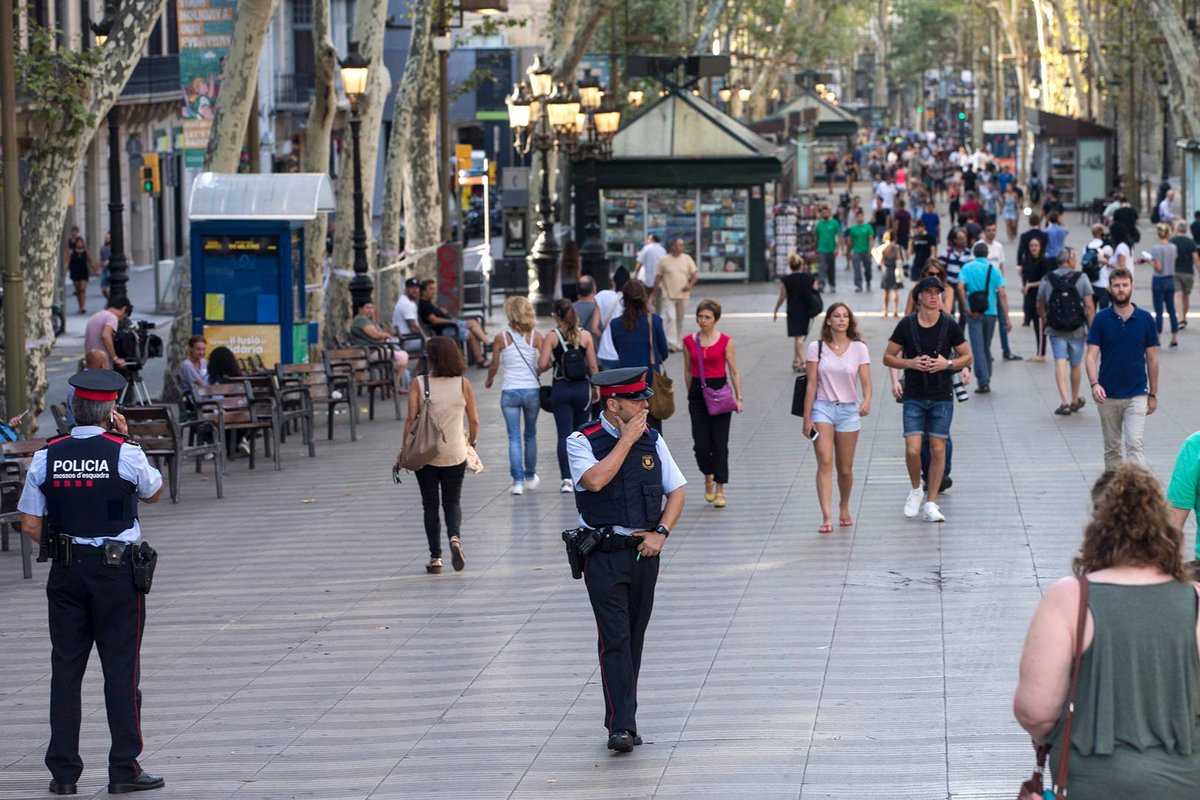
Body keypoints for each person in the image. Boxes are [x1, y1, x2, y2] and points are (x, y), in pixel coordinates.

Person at [17, 368, 166, 796]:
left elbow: (30, 523)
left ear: (73, 410)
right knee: (121, 670)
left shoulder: (49, 454)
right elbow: (152, 492)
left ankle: (63, 773)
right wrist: (128, 437)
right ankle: (124, 767)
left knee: (66, 669)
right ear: (111, 410)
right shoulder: (125, 451)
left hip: (66, 573)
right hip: (117, 573)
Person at [1014, 464, 1200, 798]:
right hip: (1185, 780)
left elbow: (1036, 712)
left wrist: (1049, 741)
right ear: (1163, 528)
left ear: (1098, 528)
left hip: (1093, 780)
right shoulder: (1195, 600)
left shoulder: (1070, 598)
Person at [565, 367, 686, 753]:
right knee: (615, 638)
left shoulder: (653, 439)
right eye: (638, 400)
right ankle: (622, 726)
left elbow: (678, 490)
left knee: (633, 638)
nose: (646, 405)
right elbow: (595, 480)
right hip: (602, 554)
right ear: (614, 404)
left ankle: (622, 716)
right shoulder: (581, 439)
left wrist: (661, 533)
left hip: (643, 554)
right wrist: (626, 440)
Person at [883, 276, 973, 523]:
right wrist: (909, 363)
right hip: (914, 395)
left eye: (938, 292)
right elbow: (888, 357)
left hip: (941, 396)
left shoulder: (949, 325)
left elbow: (967, 356)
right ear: (919, 297)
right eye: (929, 292)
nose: (934, 296)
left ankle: (931, 502)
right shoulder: (907, 325)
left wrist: (948, 363)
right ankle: (915, 488)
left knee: (937, 447)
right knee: (912, 448)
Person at [402, 337, 479, 574]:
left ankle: (435, 557)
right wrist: (471, 442)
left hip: (426, 453)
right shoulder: (463, 384)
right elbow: (474, 420)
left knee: (430, 505)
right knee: (452, 501)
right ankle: (454, 537)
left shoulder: (419, 383)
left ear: (431, 357)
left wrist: (404, 449)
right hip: (455, 452)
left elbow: (410, 419)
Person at [802, 303, 871, 533]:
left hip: (849, 411)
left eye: (845, 316)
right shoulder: (816, 348)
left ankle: (843, 506)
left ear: (850, 321)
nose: (841, 320)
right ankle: (827, 516)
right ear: (828, 321)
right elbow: (811, 384)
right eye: (837, 316)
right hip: (822, 408)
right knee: (825, 462)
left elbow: (866, 381)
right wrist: (807, 417)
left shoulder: (859, 348)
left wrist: (867, 400)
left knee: (845, 468)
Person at [1086, 268, 1159, 469]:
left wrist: (1153, 394)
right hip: (1107, 395)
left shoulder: (1145, 319)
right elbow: (1091, 356)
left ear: (1132, 287)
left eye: (1125, 285)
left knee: (1135, 444)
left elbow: (1152, 359)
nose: (1121, 289)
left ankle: (1138, 495)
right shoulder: (1101, 319)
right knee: (1112, 448)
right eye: (1117, 285)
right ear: (1110, 288)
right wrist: (1094, 384)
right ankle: (1116, 495)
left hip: (1137, 393)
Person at [682, 299, 743, 509]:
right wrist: (690, 393)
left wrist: (739, 397)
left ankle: (720, 488)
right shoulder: (689, 341)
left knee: (719, 444)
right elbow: (688, 370)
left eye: (707, 317)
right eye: (700, 316)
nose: (703, 321)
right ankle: (707, 475)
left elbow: (734, 370)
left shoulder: (725, 341)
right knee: (700, 444)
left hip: (720, 392)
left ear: (716, 319)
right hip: (698, 393)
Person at [538, 298, 599, 493]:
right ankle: (584, 475)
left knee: (564, 435)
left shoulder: (552, 336)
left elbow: (542, 364)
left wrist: (548, 366)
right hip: (582, 389)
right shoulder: (586, 335)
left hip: (561, 389)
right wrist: (596, 388)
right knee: (582, 434)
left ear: (556, 315)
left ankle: (566, 479)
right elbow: (592, 366)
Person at [484, 296, 543, 495]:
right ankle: (530, 475)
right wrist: (538, 371)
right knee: (531, 434)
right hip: (531, 390)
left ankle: (517, 482)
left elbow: (494, 365)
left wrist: (489, 379)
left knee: (514, 438)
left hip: (509, 391)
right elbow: (546, 361)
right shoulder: (536, 336)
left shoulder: (501, 337)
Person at [1038, 247, 1096, 416]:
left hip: (1055, 328)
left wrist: (1044, 318)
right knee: (1075, 364)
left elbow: (1039, 302)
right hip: (1077, 329)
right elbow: (1090, 305)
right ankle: (1074, 399)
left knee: (1060, 362)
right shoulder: (1082, 278)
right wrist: (1092, 329)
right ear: (1069, 259)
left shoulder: (1047, 279)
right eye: (1074, 256)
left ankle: (1064, 403)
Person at [609, 280, 669, 430]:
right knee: (653, 427)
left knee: (627, 426)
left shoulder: (615, 324)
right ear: (644, 297)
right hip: (648, 381)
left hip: (625, 382)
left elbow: (618, 349)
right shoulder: (654, 320)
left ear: (624, 300)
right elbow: (664, 352)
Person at [957, 241, 1011, 394]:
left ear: (974, 253)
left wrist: (965, 306)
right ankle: (987, 376)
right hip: (991, 312)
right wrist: (1006, 317)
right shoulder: (994, 270)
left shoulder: (967, 268)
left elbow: (960, 286)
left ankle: (983, 380)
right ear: (987, 254)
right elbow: (1002, 294)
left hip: (973, 313)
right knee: (986, 346)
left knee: (977, 347)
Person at [417, 279, 490, 368]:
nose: (433, 291)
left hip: (449, 325)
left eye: (434, 289)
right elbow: (434, 320)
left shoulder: (428, 303)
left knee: (473, 325)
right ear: (424, 291)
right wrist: (450, 321)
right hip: (445, 329)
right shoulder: (424, 305)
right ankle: (487, 345)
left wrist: (442, 311)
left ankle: (481, 357)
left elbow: (436, 315)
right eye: (431, 289)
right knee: (472, 328)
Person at [651, 238, 698, 352]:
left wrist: (689, 285)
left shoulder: (687, 259)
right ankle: (672, 343)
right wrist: (654, 294)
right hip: (668, 295)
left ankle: (676, 341)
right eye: (677, 245)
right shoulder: (664, 260)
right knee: (671, 318)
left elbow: (694, 276)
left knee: (679, 320)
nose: (679, 248)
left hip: (683, 295)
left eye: (681, 245)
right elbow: (658, 277)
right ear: (672, 246)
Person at [775, 253, 819, 373]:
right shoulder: (810, 278)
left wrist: (776, 309)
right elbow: (816, 292)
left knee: (798, 336)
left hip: (793, 310)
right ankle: (799, 362)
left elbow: (782, 297)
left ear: (790, 266)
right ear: (801, 265)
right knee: (799, 337)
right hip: (806, 310)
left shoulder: (787, 280)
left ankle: (800, 362)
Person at [984, 221, 1021, 361]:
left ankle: (1006, 350)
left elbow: (1001, 266)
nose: (991, 232)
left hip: (997, 289)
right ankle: (986, 351)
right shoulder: (980, 246)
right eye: (989, 230)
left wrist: (1002, 285)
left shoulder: (999, 247)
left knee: (1003, 319)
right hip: (985, 292)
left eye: (994, 229)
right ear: (985, 231)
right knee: (988, 322)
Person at [350, 300, 411, 373]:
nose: (370, 311)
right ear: (360, 309)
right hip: (371, 351)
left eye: (372, 308)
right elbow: (376, 335)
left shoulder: (367, 320)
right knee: (402, 357)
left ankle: (396, 380)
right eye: (367, 308)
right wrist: (386, 335)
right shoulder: (361, 320)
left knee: (403, 357)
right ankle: (396, 382)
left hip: (375, 349)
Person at [1146, 222, 1180, 347]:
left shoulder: (1156, 249)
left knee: (1159, 311)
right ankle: (1174, 337)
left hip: (1159, 280)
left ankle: (1158, 337)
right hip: (1170, 278)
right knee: (1172, 310)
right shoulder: (1173, 247)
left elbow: (1159, 267)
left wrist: (1150, 261)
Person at [1022, 237, 1051, 362]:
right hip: (1030, 297)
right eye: (1032, 245)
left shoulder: (1044, 261)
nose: (1033, 248)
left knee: (1040, 326)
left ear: (1040, 247)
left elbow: (1046, 280)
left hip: (1040, 298)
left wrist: (1030, 285)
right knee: (1036, 325)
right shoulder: (1027, 260)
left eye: (1036, 245)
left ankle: (1041, 353)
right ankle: (1039, 351)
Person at [84, 298, 131, 370]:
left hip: (91, 361)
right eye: (123, 317)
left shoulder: (96, 315)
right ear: (124, 309)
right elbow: (106, 335)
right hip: (102, 363)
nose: (120, 320)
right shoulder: (112, 317)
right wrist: (115, 358)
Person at [391, 277, 428, 355]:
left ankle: (419, 367)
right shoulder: (406, 304)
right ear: (406, 289)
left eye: (417, 288)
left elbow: (417, 324)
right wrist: (425, 338)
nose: (415, 290)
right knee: (435, 346)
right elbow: (413, 327)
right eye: (412, 288)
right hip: (407, 340)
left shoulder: (409, 302)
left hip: (409, 338)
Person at [1171, 220, 1197, 327]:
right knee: (1186, 296)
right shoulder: (1191, 242)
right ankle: (1184, 317)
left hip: (1175, 271)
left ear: (1176, 229)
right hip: (1188, 272)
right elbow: (1196, 259)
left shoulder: (1172, 241)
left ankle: (1180, 318)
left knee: (1177, 295)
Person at [814, 204, 842, 292]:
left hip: (831, 249)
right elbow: (817, 237)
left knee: (831, 268)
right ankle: (821, 284)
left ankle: (832, 284)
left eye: (827, 212)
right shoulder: (819, 224)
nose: (825, 214)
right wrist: (816, 248)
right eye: (823, 213)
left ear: (829, 213)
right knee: (821, 267)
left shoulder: (834, 223)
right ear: (821, 214)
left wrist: (838, 248)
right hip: (821, 249)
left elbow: (839, 236)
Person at [845, 209, 875, 292]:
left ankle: (868, 281)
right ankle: (858, 285)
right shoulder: (853, 229)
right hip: (857, 251)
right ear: (856, 218)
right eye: (858, 217)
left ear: (863, 217)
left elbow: (871, 239)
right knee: (857, 269)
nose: (860, 218)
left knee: (868, 268)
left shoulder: (868, 227)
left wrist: (871, 249)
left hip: (866, 251)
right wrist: (849, 251)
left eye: (861, 217)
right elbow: (850, 241)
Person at [876, 230, 903, 317]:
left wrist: (874, 254)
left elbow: (880, 262)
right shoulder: (897, 247)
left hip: (887, 270)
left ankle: (885, 310)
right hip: (895, 270)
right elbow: (900, 259)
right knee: (895, 291)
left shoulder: (882, 248)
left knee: (886, 291)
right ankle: (895, 310)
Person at [635, 235, 667, 310]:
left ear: (652, 239)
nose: (647, 241)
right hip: (659, 281)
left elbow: (639, 262)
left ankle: (644, 315)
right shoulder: (663, 250)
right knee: (657, 302)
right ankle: (657, 316)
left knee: (644, 300)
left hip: (647, 280)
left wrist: (635, 274)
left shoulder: (646, 248)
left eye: (648, 239)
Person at [65, 236, 94, 315]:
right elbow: (68, 261)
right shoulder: (72, 252)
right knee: (78, 290)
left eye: (81, 242)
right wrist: (65, 269)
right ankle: (80, 306)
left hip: (83, 271)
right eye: (78, 242)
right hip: (75, 271)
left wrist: (95, 269)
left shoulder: (85, 252)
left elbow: (90, 261)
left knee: (82, 289)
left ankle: (83, 306)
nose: (79, 243)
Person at [908, 218, 933, 282]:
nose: (915, 230)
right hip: (916, 264)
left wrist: (931, 264)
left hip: (926, 264)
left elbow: (933, 252)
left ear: (923, 227)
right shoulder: (915, 238)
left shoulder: (930, 237)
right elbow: (910, 253)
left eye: (917, 227)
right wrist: (911, 242)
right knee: (915, 286)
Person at [99, 231, 112, 299]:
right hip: (105, 270)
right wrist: (102, 264)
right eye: (106, 237)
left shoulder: (115, 248)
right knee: (103, 289)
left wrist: (109, 261)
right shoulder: (103, 248)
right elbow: (101, 259)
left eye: (108, 237)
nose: (107, 239)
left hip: (112, 270)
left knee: (112, 288)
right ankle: (109, 299)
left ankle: (111, 301)